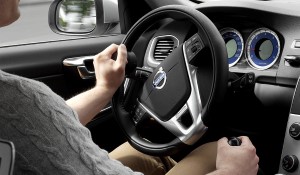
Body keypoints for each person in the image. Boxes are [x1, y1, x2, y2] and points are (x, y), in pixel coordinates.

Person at [0, 0, 259, 174]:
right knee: (220, 151)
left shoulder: (15, 101)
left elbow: (39, 124)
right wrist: (229, 172)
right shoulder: (14, 97)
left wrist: (104, 89)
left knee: (147, 152)